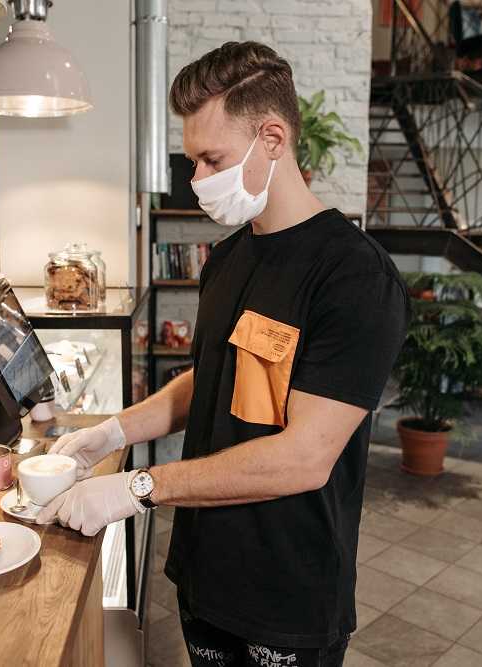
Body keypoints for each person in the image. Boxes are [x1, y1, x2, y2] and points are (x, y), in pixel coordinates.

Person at [36, 42, 410, 666]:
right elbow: (210, 380)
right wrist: (110, 432)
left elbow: (305, 459)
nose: (198, 180)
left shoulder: (353, 276)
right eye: (193, 161)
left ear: (273, 137)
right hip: (205, 572)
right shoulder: (230, 258)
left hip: (287, 593)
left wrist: (140, 487)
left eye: (213, 159)